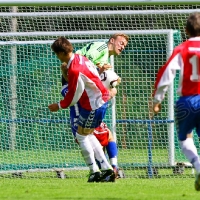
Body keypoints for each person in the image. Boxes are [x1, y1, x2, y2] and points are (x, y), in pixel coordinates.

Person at [48, 36, 116, 183]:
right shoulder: (81, 58)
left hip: (93, 105)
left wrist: (59, 105)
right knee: (88, 134)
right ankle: (106, 169)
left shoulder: (75, 69)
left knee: (81, 136)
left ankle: (94, 171)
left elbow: (75, 95)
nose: (57, 57)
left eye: (56, 54)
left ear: (61, 53)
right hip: (100, 101)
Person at [61, 33, 129, 177]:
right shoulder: (102, 47)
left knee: (94, 135)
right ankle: (101, 169)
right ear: (112, 40)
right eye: (121, 42)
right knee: (85, 136)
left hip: (81, 90)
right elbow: (84, 63)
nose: (122, 47)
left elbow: (89, 72)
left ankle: (103, 169)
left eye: (124, 45)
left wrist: (108, 81)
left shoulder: (105, 56)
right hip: (74, 85)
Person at [152, 12, 200, 191]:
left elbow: (166, 75)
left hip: (187, 101)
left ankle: (198, 166)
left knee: (185, 138)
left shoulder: (182, 48)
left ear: (186, 30)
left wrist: (157, 100)